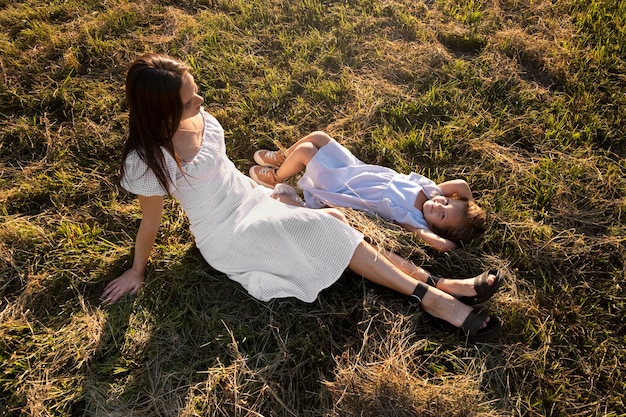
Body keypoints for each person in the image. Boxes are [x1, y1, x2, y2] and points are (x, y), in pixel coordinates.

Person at [101, 53, 503, 342]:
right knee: (328, 229)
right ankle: (433, 298)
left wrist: (267, 190)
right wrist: (137, 272)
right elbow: (149, 221)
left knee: (339, 223)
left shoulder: (201, 117)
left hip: (252, 198)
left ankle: (442, 282)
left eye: (196, 92)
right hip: (226, 232)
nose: (201, 102)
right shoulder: (146, 161)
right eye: (190, 101)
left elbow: (225, 171)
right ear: (161, 112)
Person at [250, 134, 487, 252]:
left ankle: (276, 177)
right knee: (319, 137)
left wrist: (456, 241)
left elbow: (441, 245)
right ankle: (283, 157)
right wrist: (469, 207)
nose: (439, 206)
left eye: (443, 216)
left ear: (437, 228)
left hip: (342, 187)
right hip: (355, 169)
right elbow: (461, 185)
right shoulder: (431, 190)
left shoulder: (415, 221)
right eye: (446, 203)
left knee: (305, 151)